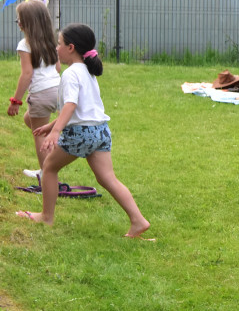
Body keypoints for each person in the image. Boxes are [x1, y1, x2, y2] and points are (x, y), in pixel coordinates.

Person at [14, 23, 150, 238]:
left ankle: (46, 217)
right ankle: (138, 220)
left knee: (48, 168)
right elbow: (85, 109)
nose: (56, 48)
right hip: (100, 131)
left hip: (81, 133)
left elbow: (71, 106)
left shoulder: (70, 74)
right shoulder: (88, 71)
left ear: (71, 48)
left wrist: (56, 131)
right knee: (108, 178)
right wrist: (50, 125)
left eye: (59, 44)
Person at [8, 0, 61, 179]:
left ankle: (46, 175)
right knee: (29, 120)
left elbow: (27, 74)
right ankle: (51, 156)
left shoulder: (25, 44)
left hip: (41, 94)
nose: (18, 22)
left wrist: (16, 101)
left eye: (19, 19)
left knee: (38, 133)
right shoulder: (51, 41)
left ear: (27, 22)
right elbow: (58, 67)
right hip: (57, 90)